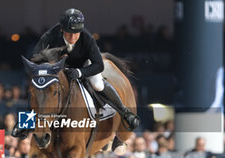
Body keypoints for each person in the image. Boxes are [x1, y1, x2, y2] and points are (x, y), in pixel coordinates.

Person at [12, 8, 139, 139]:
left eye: (76, 33)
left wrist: (79, 72)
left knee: (98, 84)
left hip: (83, 64)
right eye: (69, 33)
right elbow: (35, 57)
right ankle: (25, 123)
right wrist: (51, 64)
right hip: (57, 68)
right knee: (40, 86)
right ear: (61, 29)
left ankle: (124, 112)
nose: (73, 37)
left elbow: (99, 65)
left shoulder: (87, 37)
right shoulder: (50, 35)